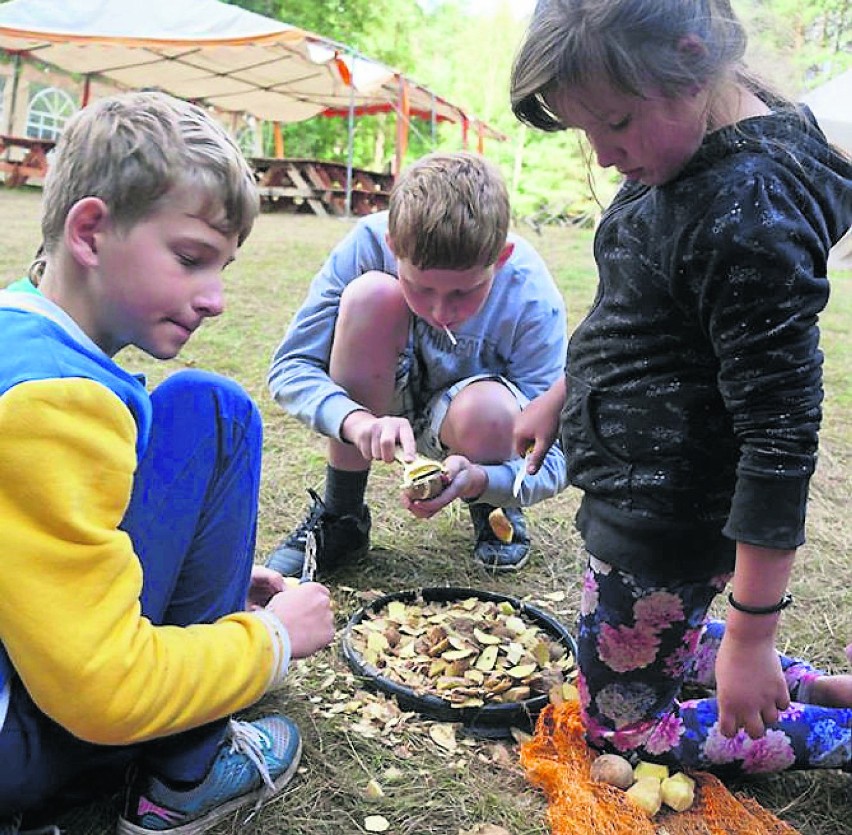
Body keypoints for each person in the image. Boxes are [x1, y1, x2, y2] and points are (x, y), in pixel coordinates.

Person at [510, 0, 852, 774]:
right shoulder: (683, 152)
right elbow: (649, 312)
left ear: (689, 59)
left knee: (620, 730)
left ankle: (824, 726)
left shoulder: (749, 210)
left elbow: (781, 432)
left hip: (663, 512)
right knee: (674, 639)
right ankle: (818, 690)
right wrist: (563, 392)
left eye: (616, 123)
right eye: (586, 132)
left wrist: (756, 631)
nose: (602, 156)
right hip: (647, 494)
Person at [0, 91, 336, 833]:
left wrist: (195, 578)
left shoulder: (17, 332)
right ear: (90, 230)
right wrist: (274, 640)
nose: (214, 299)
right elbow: (103, 689)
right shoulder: (52, 405)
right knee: (215, 411)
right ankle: (181, 778)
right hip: (14, 743)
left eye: (222, 267)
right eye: (190, 258)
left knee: (197, 403)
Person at [265, 151, 568, 575]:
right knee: (372, 295)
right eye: (421, 287)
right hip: (380, 400)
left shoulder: (531, 295)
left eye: (463, 292)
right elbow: (291, 367)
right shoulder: (368, 243)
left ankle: (494, 510)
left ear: (500, 259)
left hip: (473, 421)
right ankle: (342, 515)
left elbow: (555, 453)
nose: (440, 312)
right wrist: (357, 422)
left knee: (491, 411)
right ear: (392, 247)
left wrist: (486, 480)